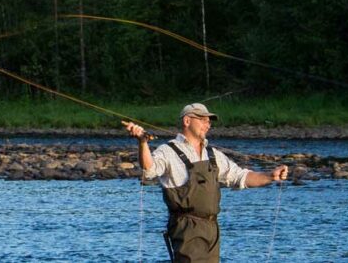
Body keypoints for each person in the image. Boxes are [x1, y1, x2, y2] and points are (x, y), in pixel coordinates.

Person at [123, 103, 288, 263]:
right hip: (187, 229)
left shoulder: (213, 155)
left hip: (212, 230)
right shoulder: (168, 151)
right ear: (187, 121)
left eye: (209, 121)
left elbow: (241, 177)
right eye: (202, 119)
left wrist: (270, 176)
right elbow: (149, 170)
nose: (207, 124)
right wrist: (142, 142)